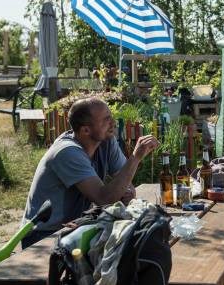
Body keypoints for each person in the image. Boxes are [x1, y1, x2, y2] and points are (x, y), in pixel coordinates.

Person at [21, 97, 159, 249]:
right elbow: (105, 198)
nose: (113, 123)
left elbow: (126, 187)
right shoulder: (67, 152)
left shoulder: (105, 141)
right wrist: (135, 157)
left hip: (74, 228)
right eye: (106, 120)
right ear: (86, 130)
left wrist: (125, 190)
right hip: (44, 236)